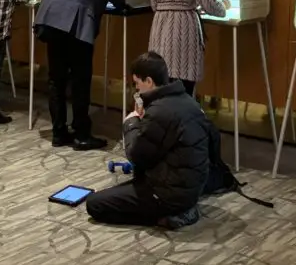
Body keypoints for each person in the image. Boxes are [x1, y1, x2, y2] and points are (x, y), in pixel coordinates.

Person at [86, 52, 209, 229]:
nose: (137, 89)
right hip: (191, 188)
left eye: (137, 83)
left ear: (149, 81)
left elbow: (136, 156)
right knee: (121, 190)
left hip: (169, 194)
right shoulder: (189, 102)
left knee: (94, 204)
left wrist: (131, 122)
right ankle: (178, 209)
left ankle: (172, 215)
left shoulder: (159, 111)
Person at [34, 0, 126, 150]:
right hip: (76, 22)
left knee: (56, 79)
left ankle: (59, 133)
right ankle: (82, 135)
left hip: (51, 16)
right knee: (80, 80)